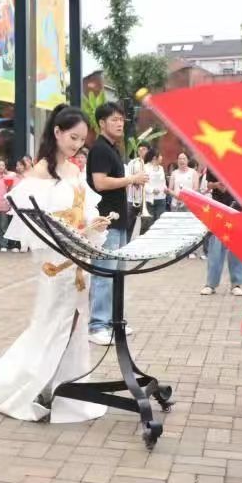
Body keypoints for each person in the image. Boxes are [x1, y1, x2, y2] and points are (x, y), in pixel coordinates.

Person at [0, 106, 111, 422]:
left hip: (80, 258)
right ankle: (37, 387)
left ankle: (66, 386)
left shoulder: (75, 170)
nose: (77, 145)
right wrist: (76, 233)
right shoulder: (38, 175)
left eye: (82, 140)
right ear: (57, 132)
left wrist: (94, 224)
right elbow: (38, 228)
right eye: (73, 137)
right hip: (57, 262)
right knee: (53, 323)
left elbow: (84, 209)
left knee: (76, 323)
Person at [87, 102, 147, 346]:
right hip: (105, 222)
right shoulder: (100, 149)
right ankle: (97, 325)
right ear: (102, 123)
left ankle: (113, 321)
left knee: (117, 274)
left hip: (118, 221)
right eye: (114, 119)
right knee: (105, 273)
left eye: (121, 119)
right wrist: (131, 178)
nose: (120, 123)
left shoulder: (112, 148)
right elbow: (100, 182)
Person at [199, 168, 242, 296]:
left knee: (237, 249)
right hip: (218, 209)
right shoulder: (213, 163)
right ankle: (211, 284)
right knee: (215, 248)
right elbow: (208, 184)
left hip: (238, 209)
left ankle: (236, 284)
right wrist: (216, 185)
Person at [141, 149, 166, 233]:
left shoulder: (161, 168)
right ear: (155, 158)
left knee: (160, 223)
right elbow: (143, 183)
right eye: (160, 156)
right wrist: (152, 190)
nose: (162, 157)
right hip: (149, 200)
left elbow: (163, 182)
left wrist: (165, 188)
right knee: (149, 224)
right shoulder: (145, 167)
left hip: (161, 199)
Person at [126, 143, 148, 235]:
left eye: (144, 149)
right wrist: (135, 181)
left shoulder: (150, 164)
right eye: (140, 149)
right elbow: (128, 177)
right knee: (129, 226)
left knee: (145, 228)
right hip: (132, 198)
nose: (141, 151)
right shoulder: (132, 163)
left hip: (146, 199)